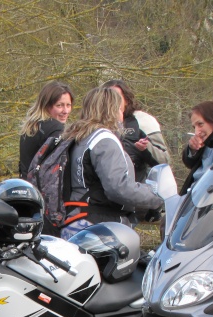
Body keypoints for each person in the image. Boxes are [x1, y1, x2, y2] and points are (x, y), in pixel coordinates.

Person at [61, 87, 161, 240]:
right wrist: (157, 194)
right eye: (121, 110)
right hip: (99, 226)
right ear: (112, 111)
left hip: (75, 221)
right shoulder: (104, 140)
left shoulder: (78, 137)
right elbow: (119, 188)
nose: (123, 116)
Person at [102, 79, 171, 182]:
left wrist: (146, 148)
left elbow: (164, 160)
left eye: (117, 98)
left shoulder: (143, 121)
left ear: (127, 100)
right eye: (109, 98)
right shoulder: (97, 123)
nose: (112, 102)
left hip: (137, 186)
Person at [18, 82, 73, 178]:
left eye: (68, 105)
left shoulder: (31, 126)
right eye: (59, 105)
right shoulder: (56, 129)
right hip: (44, 190)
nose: (66, 111)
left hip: (28, 187)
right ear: (46, 105)